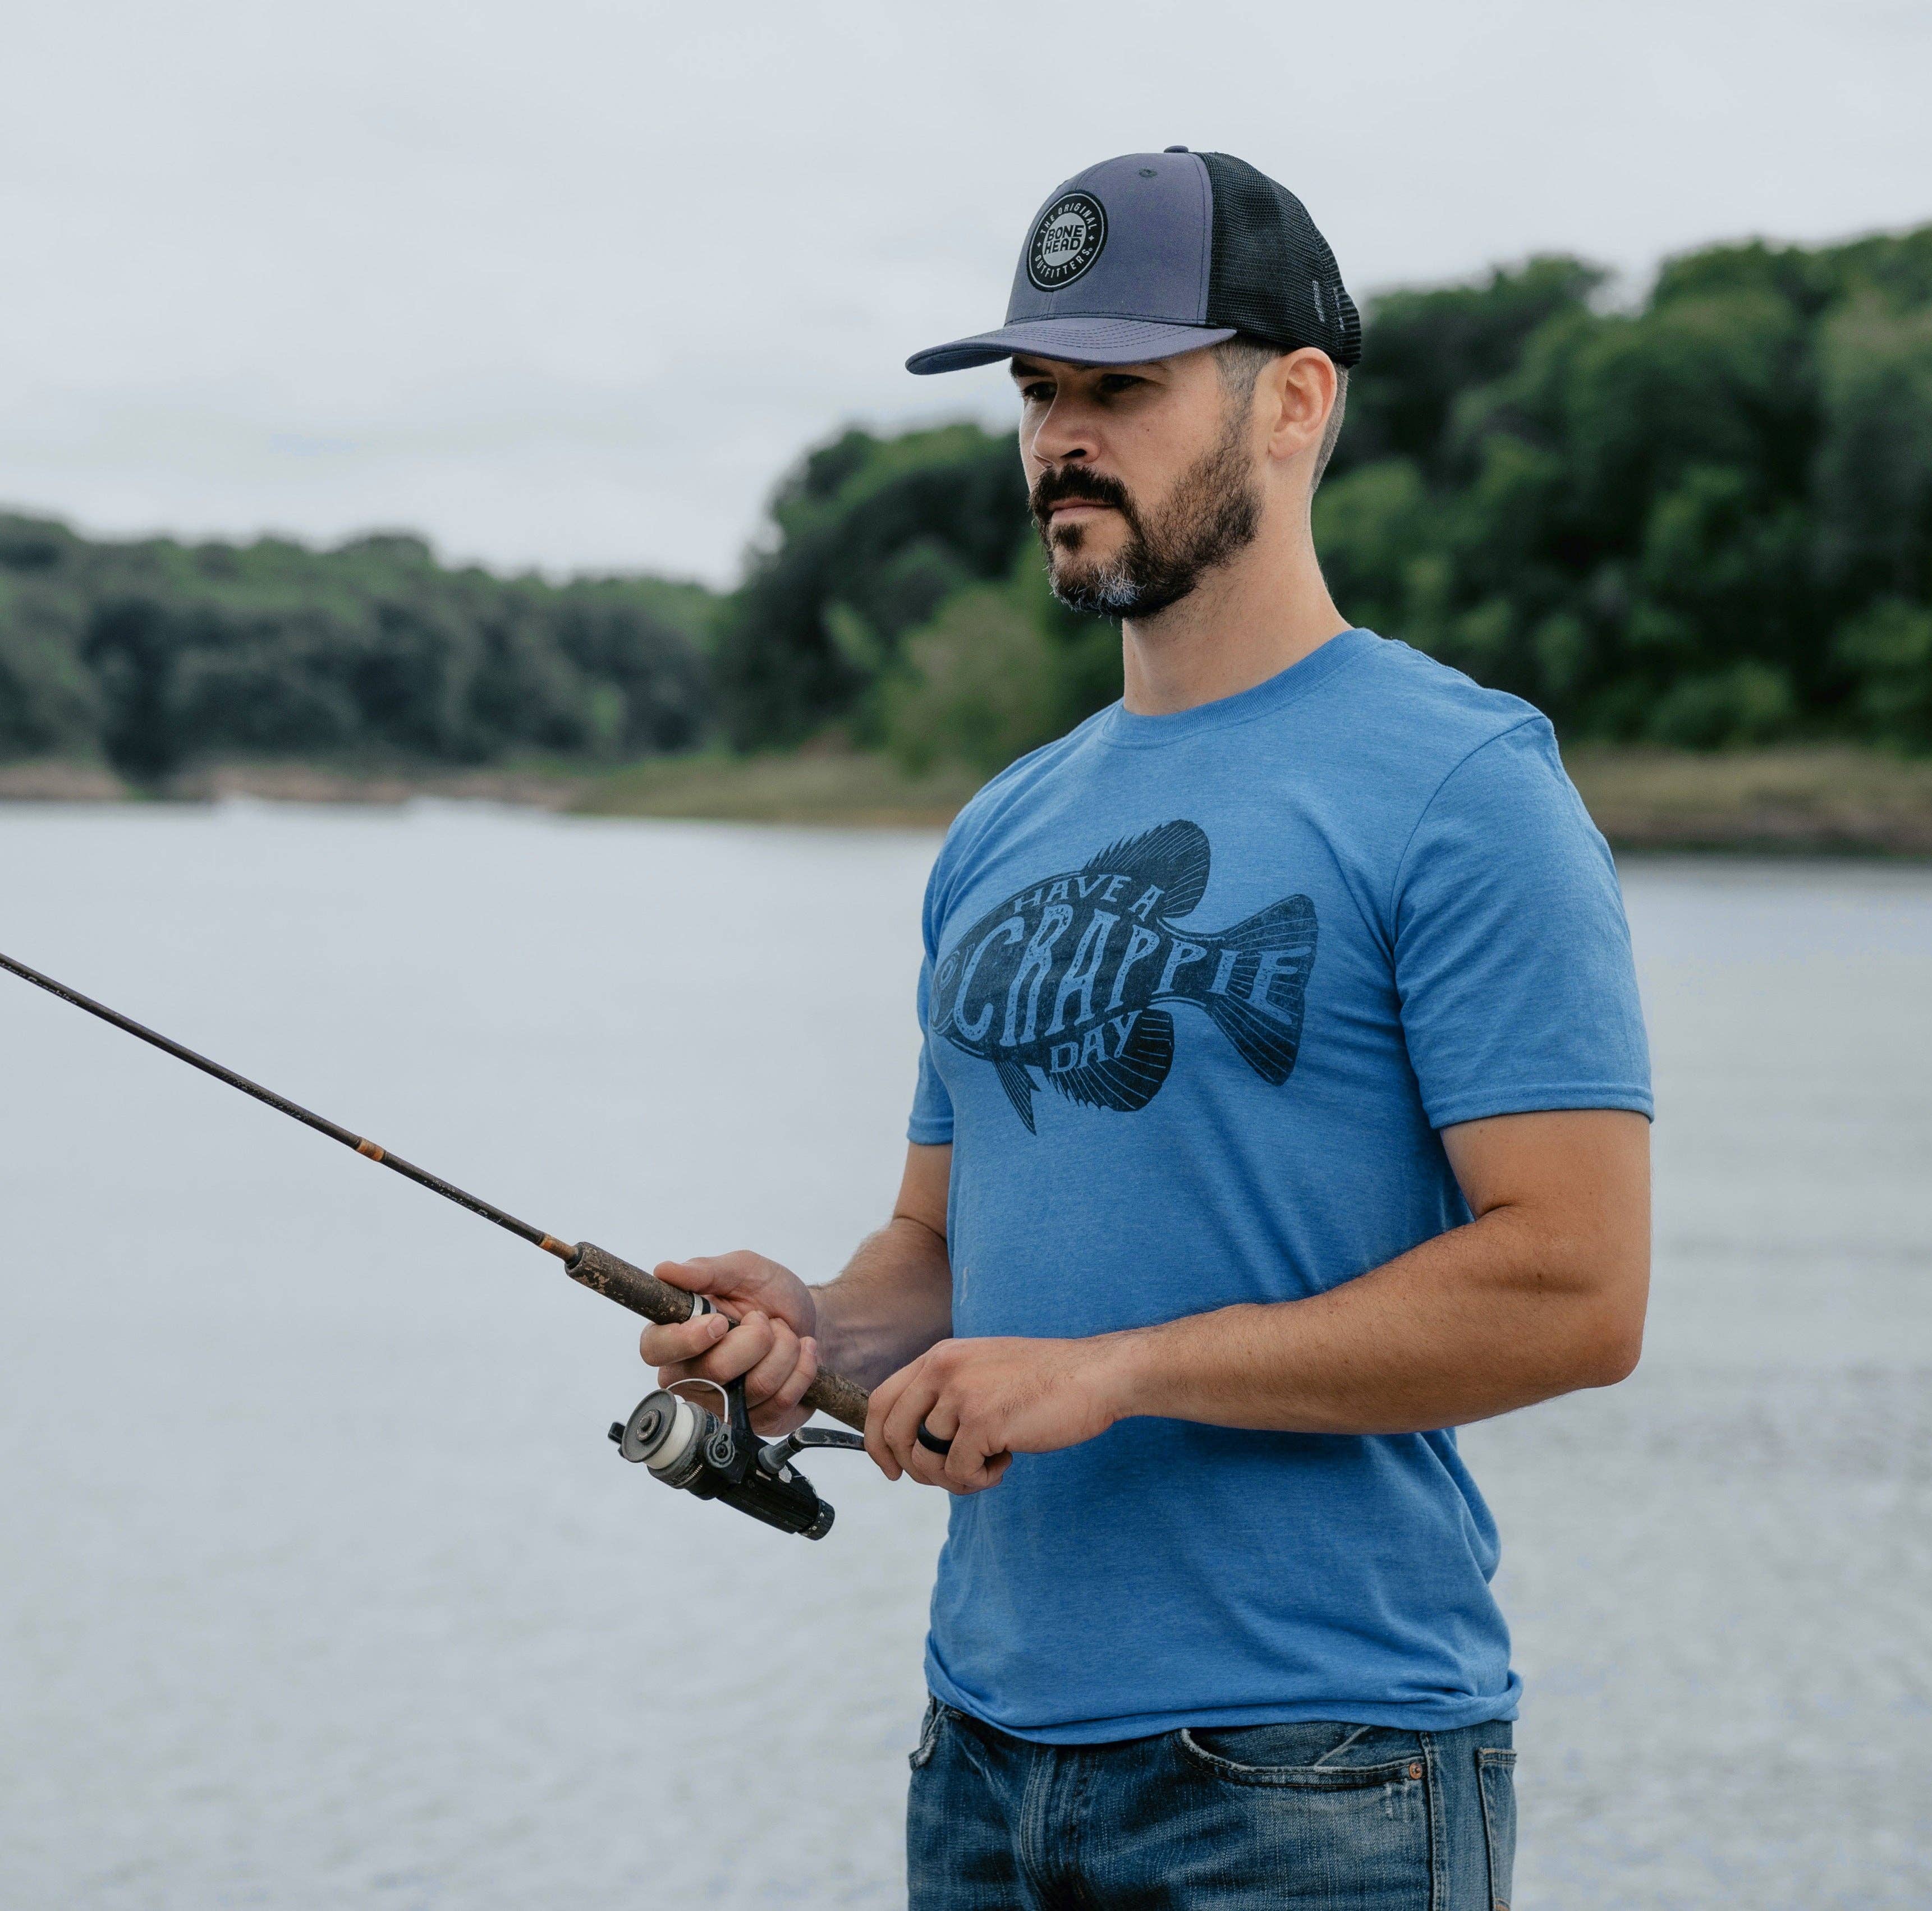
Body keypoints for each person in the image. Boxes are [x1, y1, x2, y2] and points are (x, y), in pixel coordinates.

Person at [640, 148, 1652, 1911]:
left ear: (1292, 402)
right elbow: (946, 1257)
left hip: (1314, 1777)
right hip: (981, 1757)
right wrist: (811, 1326)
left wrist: (1113, 1375)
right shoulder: (1002, 827)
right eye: (1038, 390)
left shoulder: (1464, 787)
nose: (1058, 437)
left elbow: (1578, 1292)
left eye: (1120, 386)